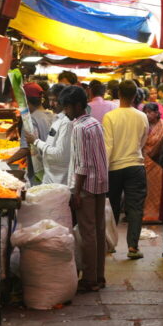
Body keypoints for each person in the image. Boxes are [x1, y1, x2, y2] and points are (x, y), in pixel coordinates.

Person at [65, 86, 109, 292]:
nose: (65, 112)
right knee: (99, 231)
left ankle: (90, 278)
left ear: (76, 106)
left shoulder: (79, 128)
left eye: (66, 107)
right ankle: (99, 276)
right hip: (101, 183)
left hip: (87, 186)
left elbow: (81, 164)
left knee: (88, 233)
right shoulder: (95, 124)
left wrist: (76, 191)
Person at [102, 80, 150, 259]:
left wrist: (103, 170)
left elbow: (108, 145)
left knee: (112, 206)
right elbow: (143, 141)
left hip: (114, 167)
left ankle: (110, 245)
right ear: (134, 95)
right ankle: (133, 247)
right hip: (136, 165)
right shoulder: (142, 116)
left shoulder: (110, 117)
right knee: (135, 208)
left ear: (118, 94)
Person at [5, 83, 54, 180]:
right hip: (52, 170)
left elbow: (26, 148)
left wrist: (6, 161)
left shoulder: (30, 120)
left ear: (25, 100)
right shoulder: (52, 116)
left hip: (38, 173)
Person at [27, 84, 73, 186]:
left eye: (55, 100)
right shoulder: (56, 118)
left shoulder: (67, 122)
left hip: (60, 180)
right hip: (51, 177)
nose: (51, 104)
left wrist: (36, 141)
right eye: (50, 100)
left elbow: (59, 153)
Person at [142, 102, 163, 223]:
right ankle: (147, 213)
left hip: (159, 163)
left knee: (160, 189)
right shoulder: (143, 125)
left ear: (156, 113)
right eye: (145, 112)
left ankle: (158, 214)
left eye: (150, 112)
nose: (147, 115)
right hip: (146, 161)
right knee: (146, 189)